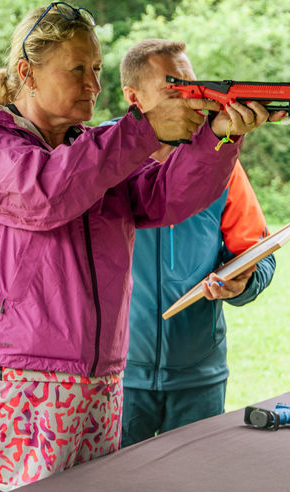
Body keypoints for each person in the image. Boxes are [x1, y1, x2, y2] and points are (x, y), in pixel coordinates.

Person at [0, 2, 276, 492]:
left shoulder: (93, 151)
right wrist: (143, 129)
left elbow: (166, 197)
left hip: (98, 382)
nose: (94, 86)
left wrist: (219, 136)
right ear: (28, 73)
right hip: (21, 384)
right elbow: (45, 194)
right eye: (78, 69)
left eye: (98, 70)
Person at [111, 39, 279, 447]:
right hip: (115, 377)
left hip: (199, 377)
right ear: (134, 97)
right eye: (176, 89)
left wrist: (243, 282)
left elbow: (256, 252)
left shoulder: (223, 160)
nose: (194, 100)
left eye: (196, 88)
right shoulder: (101, 159)